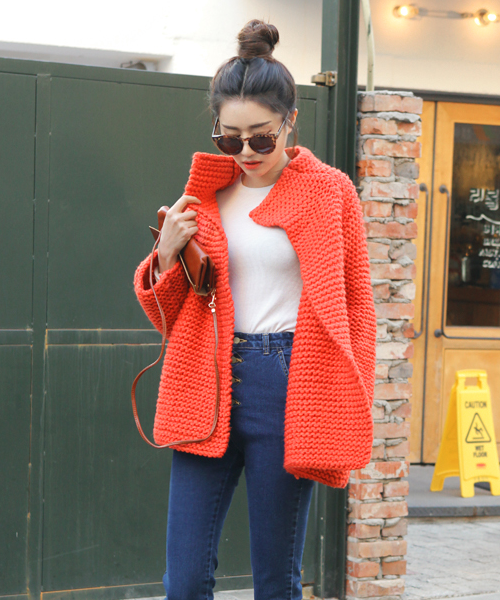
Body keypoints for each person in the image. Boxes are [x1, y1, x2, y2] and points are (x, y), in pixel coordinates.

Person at [134, 19, 377, 600]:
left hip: (290, 383)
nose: (245, 152)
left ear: (289, 120)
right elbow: (170, 315)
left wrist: (351, 396)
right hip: (206, 382)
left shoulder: (331, 192)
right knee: (183, 579)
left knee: (275, 577)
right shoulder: (205, 195)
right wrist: (165, 256)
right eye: (230, 138)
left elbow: (356, 308)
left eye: (261, 138)